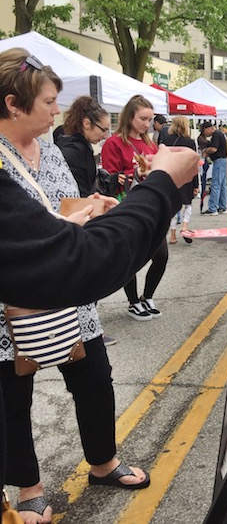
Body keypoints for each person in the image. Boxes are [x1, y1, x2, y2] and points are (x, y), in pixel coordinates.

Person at [0, 47, 152, 524]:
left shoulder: (50, 149)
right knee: (12, 396)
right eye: (47, 102)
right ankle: (29, 487)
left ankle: (103, 462)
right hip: (12, 304)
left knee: (93, 378)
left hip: (68, 290)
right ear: (12, 104)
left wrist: (91, 206)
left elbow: (64, 205)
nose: (54, 112)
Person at [101, 95, 167, 321]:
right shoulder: (114, 143)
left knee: (161, 255)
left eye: (150, 120)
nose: (147, 124)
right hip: (128, 207)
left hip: (152, 205)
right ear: (130, 116)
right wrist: (135, 174)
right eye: (143, 119)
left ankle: (147, 296)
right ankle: (133, 302)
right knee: (131, 257)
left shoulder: (150, 143)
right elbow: (110, 178)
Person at [58, 96, 122, 198]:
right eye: (103, 130)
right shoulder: (76, 152)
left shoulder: (78, 147)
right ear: (87, 123)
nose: (105, 135)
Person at [161, 116, 199, 244]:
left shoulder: (165, 140)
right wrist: (196, 184)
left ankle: (172, 235)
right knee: (187, 204)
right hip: (186, 176)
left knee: (173, 205)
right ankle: (185, 226)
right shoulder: (189, 142)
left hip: (170, 176)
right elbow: (194, 163)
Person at [202, 121, 227, 215]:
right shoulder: (221, 134)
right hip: (225, 160)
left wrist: (206, 151)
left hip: (219, 161)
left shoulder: (216, 134)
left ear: (208, 128)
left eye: (205, 131)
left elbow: (214, 149)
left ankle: (213, 208)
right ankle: (223, 206)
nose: (205, 134)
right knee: (223, 185)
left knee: (216, 184)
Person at [197, 123, 212, 213]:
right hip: (203, 161)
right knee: (203, 180)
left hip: (206, 161)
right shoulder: (201, 139)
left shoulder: (205, 138)